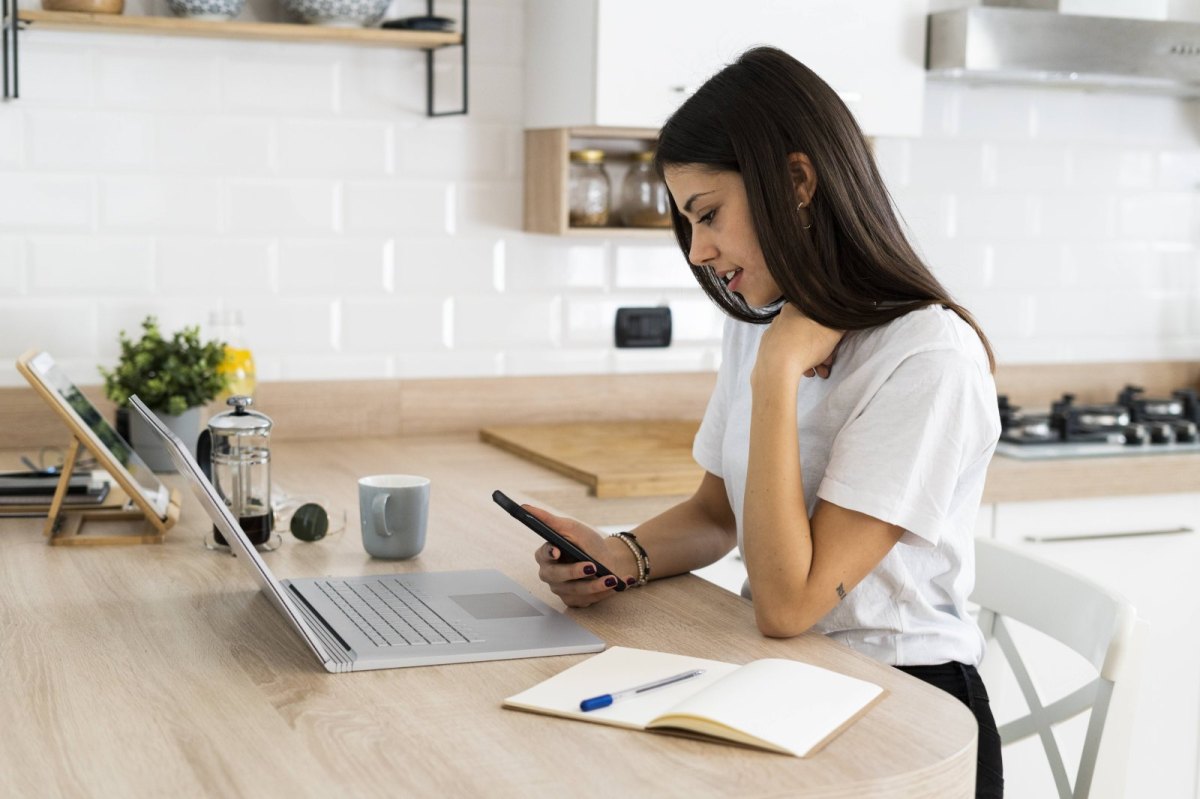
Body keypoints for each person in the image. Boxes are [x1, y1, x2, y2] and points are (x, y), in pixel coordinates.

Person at [526, 47, 1003, 798]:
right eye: (688, 223)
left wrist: (778, 374)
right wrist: (618, 553)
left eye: (708, 214)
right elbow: (717, 514)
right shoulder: (763, 322)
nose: (698, 250)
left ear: (797, 181)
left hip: (906, 706)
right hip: (788, 680)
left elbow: (790, 604)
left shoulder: (926, 354)